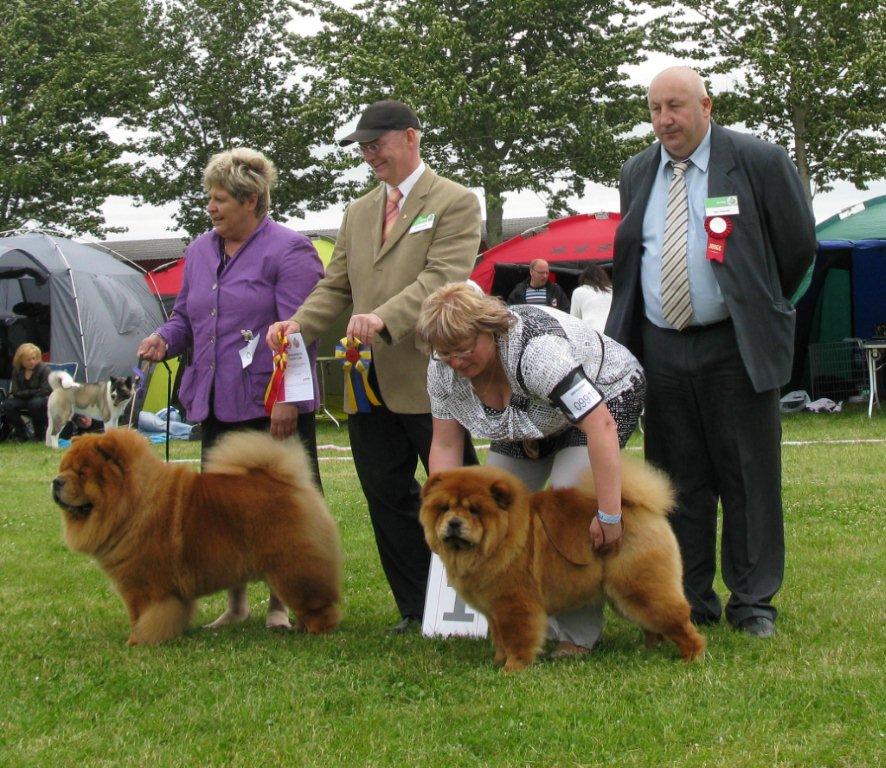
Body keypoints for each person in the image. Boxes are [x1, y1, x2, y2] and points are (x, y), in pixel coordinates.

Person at [606, 66, 816, 639]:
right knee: (678, 483)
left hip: (735, 344)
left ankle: (752, 603)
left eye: (676, 106)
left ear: (707, 105)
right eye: (655, 109)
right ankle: (691, 599)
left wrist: (755, 304)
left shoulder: (759, 161)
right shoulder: (636, 172)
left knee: (748, 476)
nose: (665, 120)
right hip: (662, 348)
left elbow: (797, 248)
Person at [267, 99, 481, 634]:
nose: (368, 156)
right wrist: (298, 325)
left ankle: (475, 605)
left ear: (410, 138)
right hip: (366, 385)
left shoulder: (455, 201)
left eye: (376, 144)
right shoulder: (358, 212)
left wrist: (381, 320)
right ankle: (415, 608)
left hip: (433, 377)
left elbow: (441, 278)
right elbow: (335, 285)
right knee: (385, 495)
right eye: (362, 147)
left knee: (456, 495)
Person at [137, 147, 325, 631]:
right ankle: (237, 603)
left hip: (270, 400)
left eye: (220, 199)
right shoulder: (200, 250)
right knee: (220, 510)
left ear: (252, 201)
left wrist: (287, 398)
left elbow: (300, 329)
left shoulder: (290, 250)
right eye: (209, 199)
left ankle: (283, 603)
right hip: (217, 398)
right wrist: (164, 338)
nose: (211, 208)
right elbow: (186, 317)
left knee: (280, 509)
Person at [418, 282, 645, 657]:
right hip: (522, 418)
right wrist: (437, 511)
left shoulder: (537, 353)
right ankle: (512, 613)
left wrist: (608, 513)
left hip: (605, 395)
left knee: (567, 510)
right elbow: (444, 444)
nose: (457, 361)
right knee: (493, 509)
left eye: (465, 349)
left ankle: (578, 634)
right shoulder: (442, 370)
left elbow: (599, 425)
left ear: (489, 328)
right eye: (446, 353)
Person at [4, 343, 50, 441]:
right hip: (24, 398)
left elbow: (45, 390)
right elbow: (15, 391)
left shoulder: (44, 369)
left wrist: (26, 393)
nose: (32, 362)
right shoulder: (17, 370)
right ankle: (21, 432)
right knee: (8, 405)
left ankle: (40, 433)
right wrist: (33, 392)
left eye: (34, 358)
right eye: (28, 360)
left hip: (41, 399)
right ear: (21, 360)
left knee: (35, 404)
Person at [570, 264, 612, 333]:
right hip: (611, 331)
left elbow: (574, 320)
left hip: (591, 332)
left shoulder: (579, 291)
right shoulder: (612, 290)